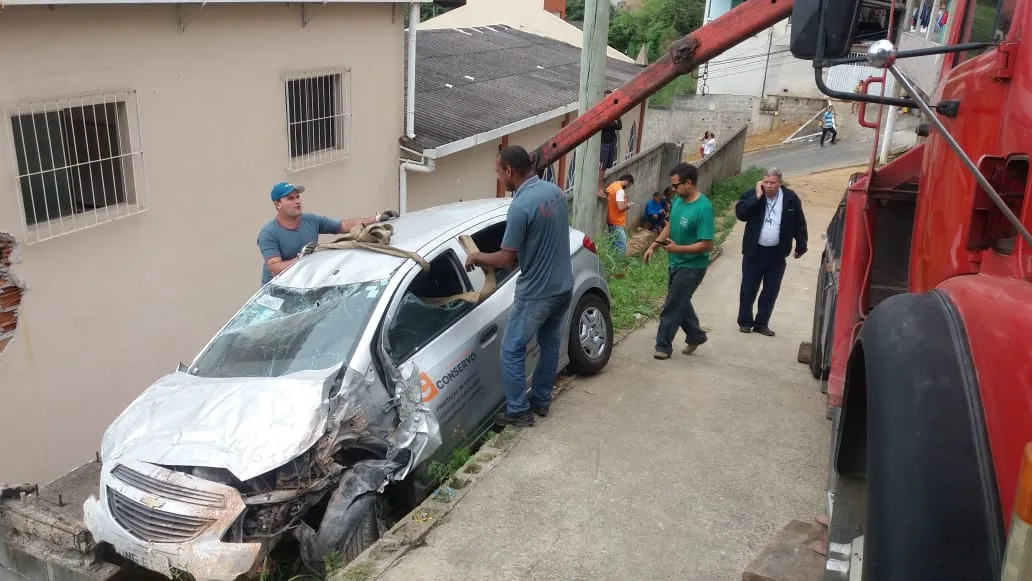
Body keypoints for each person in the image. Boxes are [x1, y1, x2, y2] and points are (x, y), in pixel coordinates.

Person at [466, 145, 573, 427]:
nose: (500, 178)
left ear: (510, 171)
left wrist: (477, 256)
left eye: (499, 172)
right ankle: (541, 401)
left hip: (537, 294)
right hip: (563, 285)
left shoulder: (520, 207)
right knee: (549, 344)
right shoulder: (555, 192)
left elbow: (505, 258)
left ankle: (518, 411)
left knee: (511, 349)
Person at [257, 182, 397, 286]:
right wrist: (300, 259)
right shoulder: (269, 233)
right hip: (278, 290)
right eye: (290, 198)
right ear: (277, 204)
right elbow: (274, 266)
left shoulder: (311, 220)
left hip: (305, 282)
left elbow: (343, 225)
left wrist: (376, 218)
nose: (297, 201)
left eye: (298, 197)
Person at [644, 163, 714, 360]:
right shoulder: (678, 201)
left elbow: (707, 244)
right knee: (680, 301)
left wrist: (678, 249)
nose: (673, 190)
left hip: (692, 265)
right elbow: (671, 224)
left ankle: (663, 346)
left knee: (672, 305)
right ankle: (695, 335)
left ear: (689, 183)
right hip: (675, 261)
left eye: (676, 186)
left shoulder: (704, 209)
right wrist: (654, 245)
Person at [733, 167, 808, 336]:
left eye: (772, 183)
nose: (768, 186)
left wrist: (801, 244)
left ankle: (762, 324)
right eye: (765, 182)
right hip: (754, 251)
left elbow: (799, 222)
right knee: (748, 288)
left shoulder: (790, 198)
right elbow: (741, 213)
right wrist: (757, 197)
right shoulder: (753, 194)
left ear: (779, 183)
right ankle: (745, 321)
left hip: (777, 253)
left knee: (771, 290)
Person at [604, 174, 635, 254]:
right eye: (629, 185)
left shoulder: (612, 186)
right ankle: (618, 264)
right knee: (621, 244)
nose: (627, 188)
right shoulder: (619, 190)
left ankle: (611, 263)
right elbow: (620, 207)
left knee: (613, 244)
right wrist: (627, 206)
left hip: (611, 219)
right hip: (617, 222)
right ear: (627, 182)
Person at [599, 90, 623, 170]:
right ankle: (599, 182)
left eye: (611, 97)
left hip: (612, 142)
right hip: (603, 143)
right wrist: (612, 123)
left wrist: (612, 123)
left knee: (609, 165)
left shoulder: (614, 111)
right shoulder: (601, 110)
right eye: (607, 98)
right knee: (602, 166)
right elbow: (603, 125)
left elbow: (619, 126)